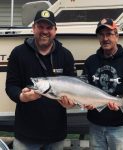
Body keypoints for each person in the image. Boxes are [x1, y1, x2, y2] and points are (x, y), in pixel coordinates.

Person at [5, 10, 76, 150]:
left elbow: (74, 90)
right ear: (33, 29)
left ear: (55, 30)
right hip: (26, 136)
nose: (45, 31)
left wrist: (70, 104)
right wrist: (22, 97)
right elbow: (11, 86)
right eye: (40, 27)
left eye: (49, 27)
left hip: (56, 135)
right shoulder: (18, 53)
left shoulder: (66, 55)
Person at [83, 18, 123, 150]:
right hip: (95, 127)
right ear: (98, 38)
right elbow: (83, 90)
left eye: (109, 34)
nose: (105, 38)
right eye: (101, 35)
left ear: (117, 36)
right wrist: (84, 103)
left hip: (119, 128)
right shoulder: (90, 62)